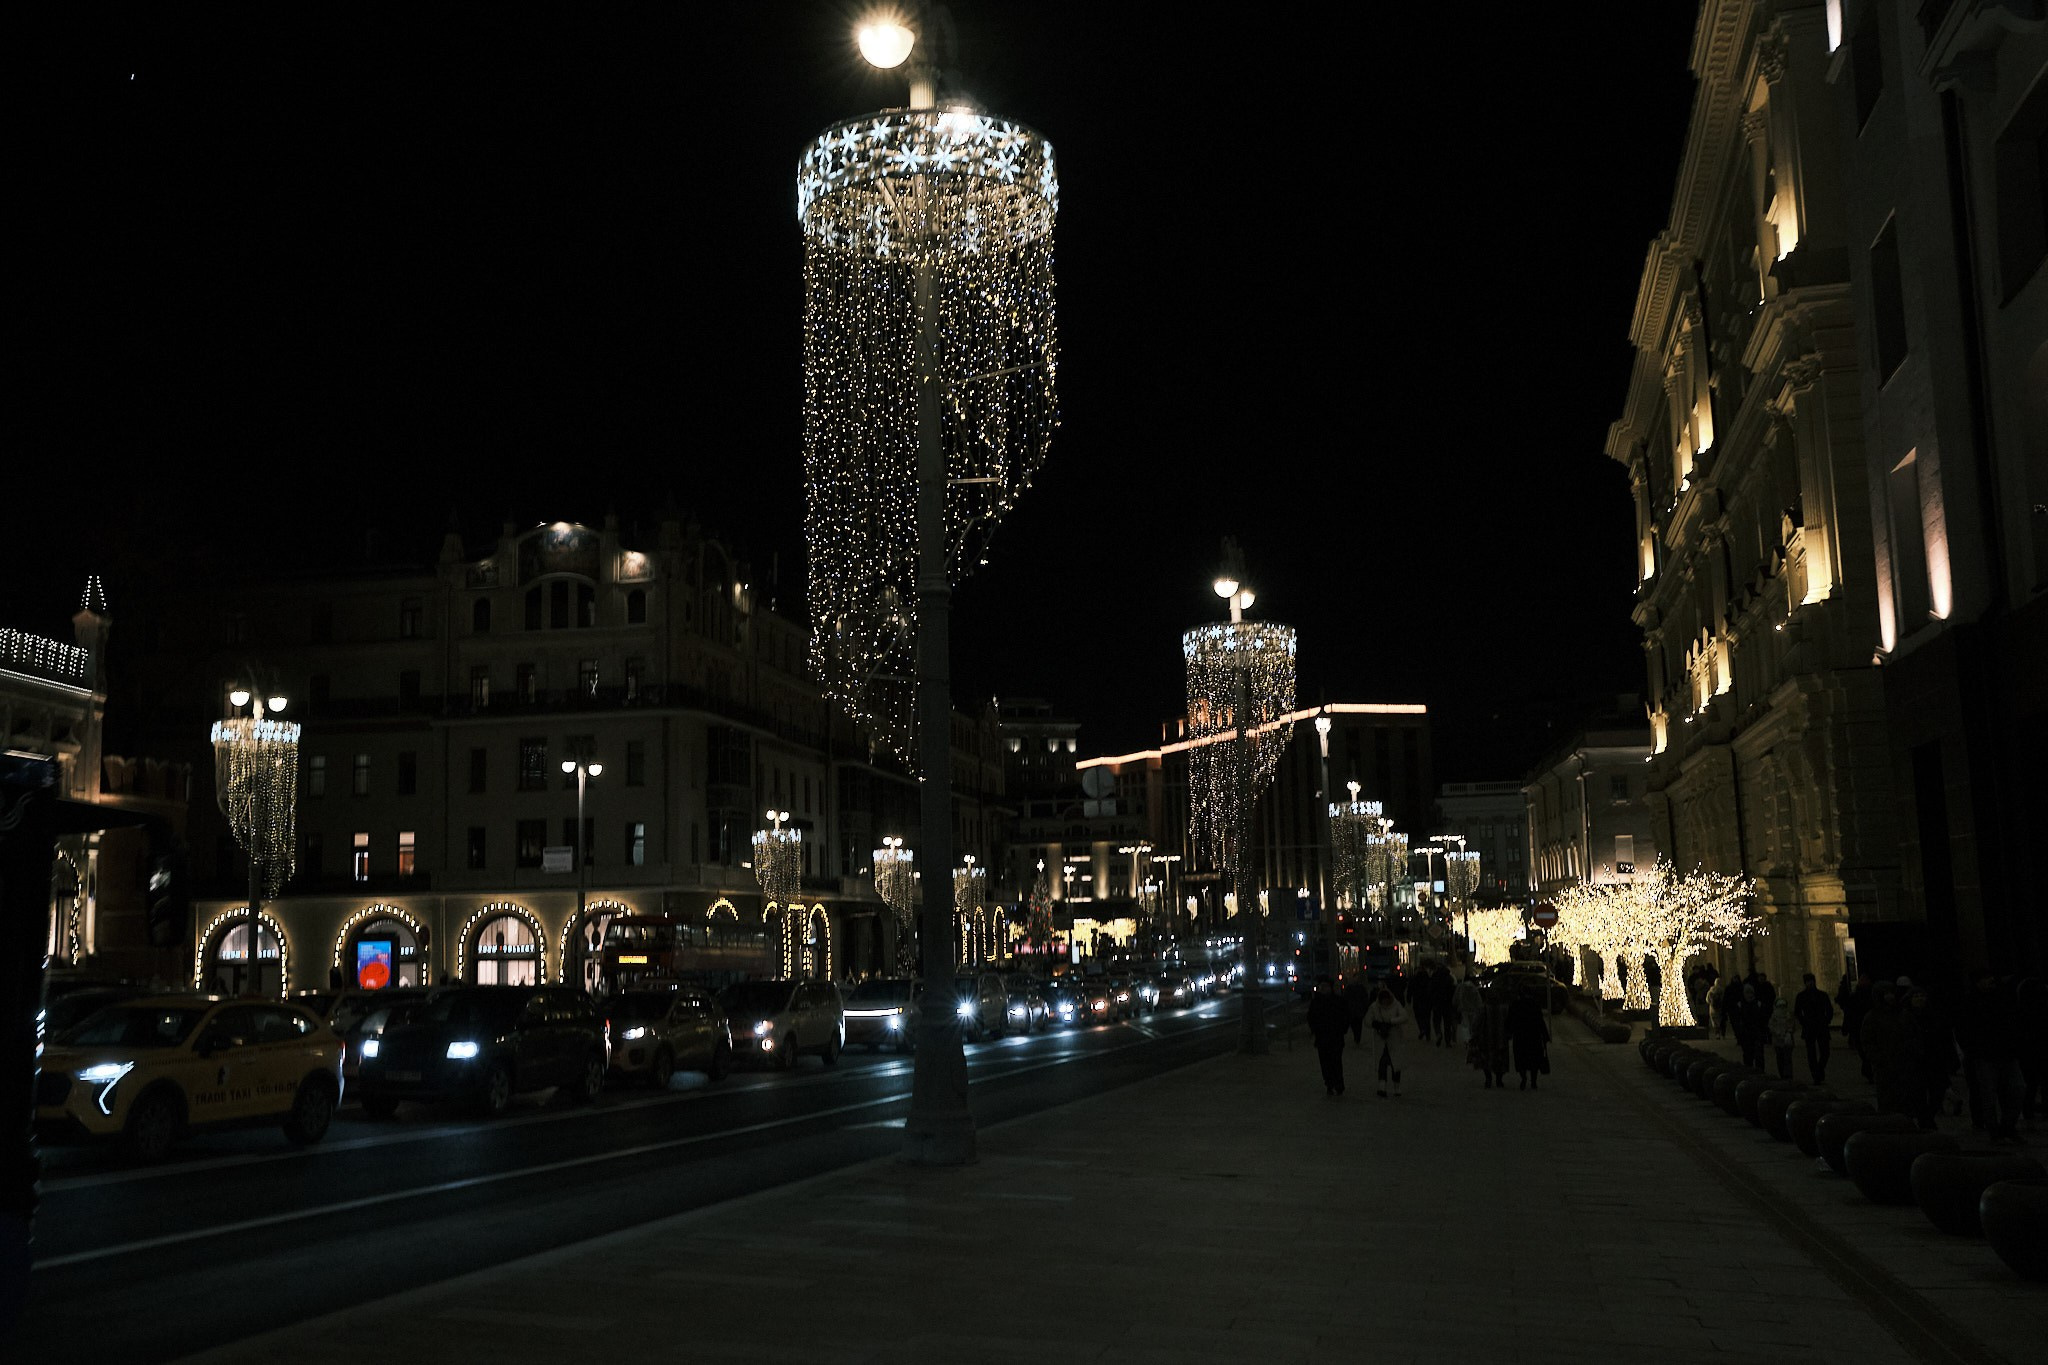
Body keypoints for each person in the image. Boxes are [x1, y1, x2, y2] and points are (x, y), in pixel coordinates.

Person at [1955, 971, 2025, 1144]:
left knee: (2017, 1089)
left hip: (2006, 1053)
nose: (1990, 980)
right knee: (1989, 1094)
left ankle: (2007, 1126)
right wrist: (1973, 1049)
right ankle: (1996, 1130)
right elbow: (1963, 1029)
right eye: (1985, 978)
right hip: (1985, 1055)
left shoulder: (2002, 998)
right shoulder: (1971, 1002)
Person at [1305, 977, 1350, 1097]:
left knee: (1336, 1061)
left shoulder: (1338, 1001)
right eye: (1322, 987)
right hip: (1322, 1037)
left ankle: (1338, 1084)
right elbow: (1311, 1017)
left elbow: (1345, 1016)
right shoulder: (1316, 1002)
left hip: (1336, 1036)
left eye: (1326, 987)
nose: (1323, 989)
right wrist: (1314, 1030)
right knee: (1325, 1062)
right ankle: (1329, 1084)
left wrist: (1342, 1029)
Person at [1366, 986, 1409, 1098]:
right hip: (1382, 1041)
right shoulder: (1375, 1007)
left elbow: (1405, 1017)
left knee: (1395, 1064)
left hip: (1394, 1040)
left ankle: (1396, 1087)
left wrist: (1391, 1022)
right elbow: (1367, 1020)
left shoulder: (1395, 1005)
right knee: (1382, 1063)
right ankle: (1382, 1086)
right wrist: (1376, 1024)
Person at [1793, 972, 1834, 1083]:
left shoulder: (1822, 995)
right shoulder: (1801, 996)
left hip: (1821, 1025)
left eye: (1810, 981)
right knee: (1811, 1053)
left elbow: (1829, 1009)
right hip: (1809, 1026)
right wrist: (1803, 1022)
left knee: (1825, 1052)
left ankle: (1819, 1069)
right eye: (1807, 982)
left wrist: (1826, 1020)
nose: (1809, 984)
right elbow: (1797, 1011)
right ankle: (1816, 1074)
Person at [1507, 991, 1550, 1090]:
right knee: (1534, 1060)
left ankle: (1523, 1078)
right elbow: (1540, 1021)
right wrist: (1545, 1036)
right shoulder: (1534, 1005)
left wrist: (1508, 1032)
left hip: (1520, 1037)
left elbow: (1510, 1020)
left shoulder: (1516, 1005)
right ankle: (1533, 1081)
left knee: (1521, 1060)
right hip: (1533, 1037)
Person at [1469, 985, 1510, 1088]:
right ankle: (1499, 1079)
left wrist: (1474, 1033)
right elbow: (1508, 1022)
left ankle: (1488, 1079)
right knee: (1500, 1060)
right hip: (1501, 1039)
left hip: (1486, 1039)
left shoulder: (1483, 1009)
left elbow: (1476, 1023)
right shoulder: (1503, 1009)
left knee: (1486, 1060)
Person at [1734, 983, 1769, 1070]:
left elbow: (1763, 1019)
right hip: (1746, 1034)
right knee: (1748, 1056)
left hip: (1757, 1034)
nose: (1749, 995)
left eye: (1751, 993)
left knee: (1759, 1056)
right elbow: (1737, 1020)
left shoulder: (1758, 1004)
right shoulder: (1740, 1005)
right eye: (1747, 993)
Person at [1767, 995, 1796, 1079]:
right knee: (1780, 1059)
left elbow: (1792, 1026)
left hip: (1787, 1041)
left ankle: (1788, 1075)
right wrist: (1778, 1033)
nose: (1782, 1008)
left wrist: (1788, 1032)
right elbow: (1771, 1027)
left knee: (1787, 1058)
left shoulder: (1789, 1015)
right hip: (1778, 1041)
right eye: (1780, 1006)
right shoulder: (1774, 1016)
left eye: (1783, 1006)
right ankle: (1782, 1074)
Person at [1428, 964, 1456, 1047]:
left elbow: (1430, 991)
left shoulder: (1434, 978)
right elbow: (1453, 992)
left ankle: (1438, 1033)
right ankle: (1448, 1041)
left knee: (1436, 1021)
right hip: (1447, 1004)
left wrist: (1431, 1002)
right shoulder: (1449, 979)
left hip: (1437, 1003)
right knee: (1447, 1023)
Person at [1342, 973, 1370, 1048]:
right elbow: (1345, 999)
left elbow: (1365, 998)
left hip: (1358, 1010)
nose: (1356, 979)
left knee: (1358, 1025)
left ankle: (1357, 1039)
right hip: (1352, 1010)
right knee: (1354, 1025)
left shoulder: (1361, 988)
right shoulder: (1350, 988)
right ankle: (1356, 1038)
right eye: (1355, 978)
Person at [1411, 962, 1435, 1043]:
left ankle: (1422, 1029)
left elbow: (1411, 988)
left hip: (1417, 1000)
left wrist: (1408, 998)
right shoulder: (1429, 979)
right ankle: (1428, 1034)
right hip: (1427, 1001)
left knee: (1418, 1016)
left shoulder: (1415, 978)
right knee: (1427, 1018)